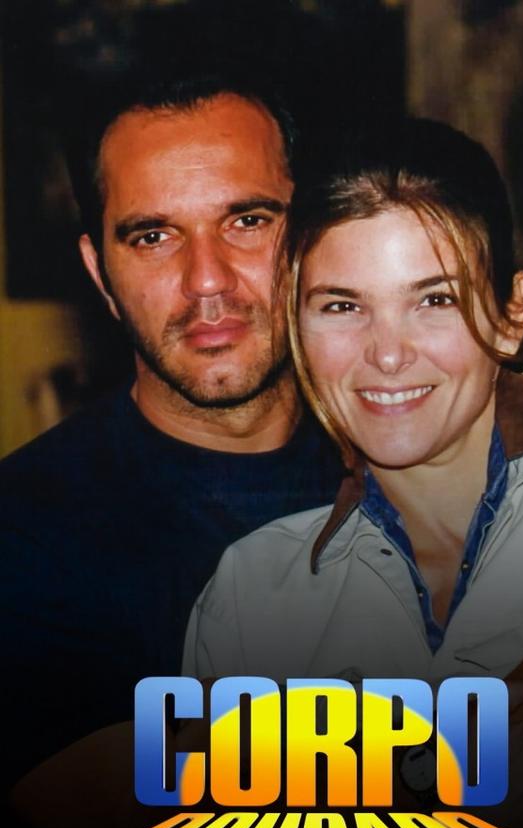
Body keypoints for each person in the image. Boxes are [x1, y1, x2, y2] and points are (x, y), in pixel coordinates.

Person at [184, 118, 523, 828]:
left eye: (434, 300)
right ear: (297, 328)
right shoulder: (251, 599)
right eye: (342, 306)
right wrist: (467, 791)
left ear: (511, 312)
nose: (388, 354)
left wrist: (369, 794)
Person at [0, 68, 345, 788]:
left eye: (247, 221)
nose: (207, 279)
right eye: (153, 236)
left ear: (313, 233)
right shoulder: (25, 533)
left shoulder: (416, 467)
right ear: (100, 272)